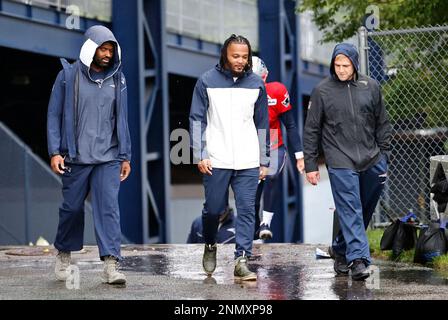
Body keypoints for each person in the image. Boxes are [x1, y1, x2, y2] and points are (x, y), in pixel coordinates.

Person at [47, 25, 132, 285]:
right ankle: (63, 252)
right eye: (102, 48)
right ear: (89, 48)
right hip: (75, 156)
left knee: (108, 209)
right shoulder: (67, 76)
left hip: (108, 157)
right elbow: (54, 115)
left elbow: (123, 119)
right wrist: (54, 151)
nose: (106, 54)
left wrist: (125, 154)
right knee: (71, 209)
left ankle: (111, 265)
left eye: (110, 50)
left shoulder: (118, 79)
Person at [303, 43, 391, 281]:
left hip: (372, 158)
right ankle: (358, 260)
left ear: (354, 65)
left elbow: (382, 122)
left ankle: (341, 250)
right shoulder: (322, 91)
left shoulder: (370, 87)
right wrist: (311, 165)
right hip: (339, 158)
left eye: (346, 65)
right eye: (337, 65)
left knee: (363, 209)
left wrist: (383, 154)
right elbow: (311, 130)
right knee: (350, 207)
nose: (341, 70)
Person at [189, 34, 270, 281]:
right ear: (225, 54)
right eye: (236, 56)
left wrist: (265, 160)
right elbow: (196, 119)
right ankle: (211, 243)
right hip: (216, 157)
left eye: (245, 57)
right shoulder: (206, 81)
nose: (240, 61)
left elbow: (264, 124)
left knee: (246, 210)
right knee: (213, 210)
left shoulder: (256, 83)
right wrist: (199, 153)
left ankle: (241, 260)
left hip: (247, 159)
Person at [251, 56, 304, 240]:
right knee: (253, 191)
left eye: (261, 78)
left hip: (274, 142)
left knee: (271, 175)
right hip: (250, 145)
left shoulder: (276, 91)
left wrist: (299, 155)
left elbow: (290, 124)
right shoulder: (238, 94)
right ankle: (253, 229)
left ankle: (265, 222)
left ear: (266, 76)